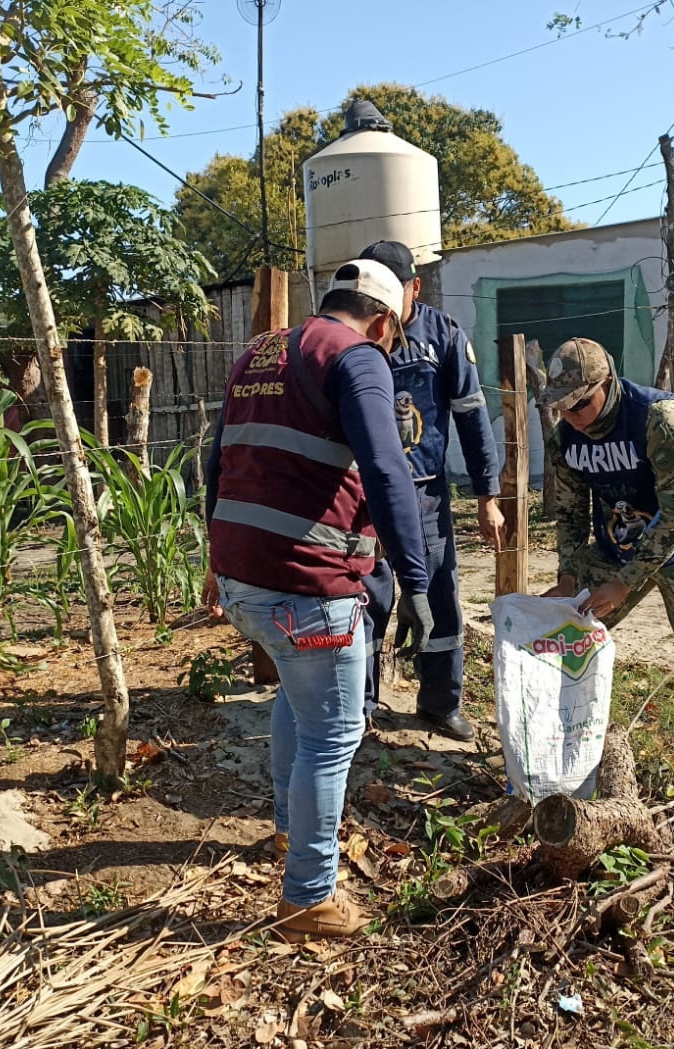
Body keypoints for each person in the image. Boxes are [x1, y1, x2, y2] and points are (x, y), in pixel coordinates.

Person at [203, 259, 434, 940]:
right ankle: (308, 895)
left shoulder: (261, 351)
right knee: (334, 731)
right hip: (305, 584)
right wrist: (417, 584)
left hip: (245, 578)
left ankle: (286, 829)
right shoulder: (358, 358)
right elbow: (389, 471)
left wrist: (215, 558)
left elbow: (215, 459)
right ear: (385, 319)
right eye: (392, 336)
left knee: (298, 702)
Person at [537, 338, 674, 814]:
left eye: (581, 404)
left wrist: (626, 581)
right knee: (565, 641)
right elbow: (569, 513)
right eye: (562, 406)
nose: (572, 415)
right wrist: (570, 574)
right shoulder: (565, 437)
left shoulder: (659, 420)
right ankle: (560, 755)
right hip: (620, 544)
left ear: (607, 383)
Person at [354, 240, 503, 742]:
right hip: (363, 495)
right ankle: (364, 704)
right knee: (368, 598)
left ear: (415, 286)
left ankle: (440, 702)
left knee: (437, 596)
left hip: (425, 495)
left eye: (395, 291)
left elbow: (472, 418)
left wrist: (487, 495)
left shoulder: (444, 336)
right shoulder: (355, 333)